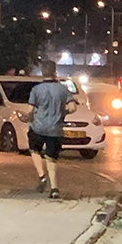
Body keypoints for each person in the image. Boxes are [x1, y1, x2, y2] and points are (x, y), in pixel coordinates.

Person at [20, 61, 76, 199]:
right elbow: (73, 107)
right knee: (51, 159)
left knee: (34, 150)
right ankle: (54, 188)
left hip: (38, 127)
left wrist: (25, 117)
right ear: (55, 72)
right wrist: (63, 112)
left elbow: (30, 111)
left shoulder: (36, 90)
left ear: (43, 73)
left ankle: (42, 176)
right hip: (55, 129)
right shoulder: (63, 89)